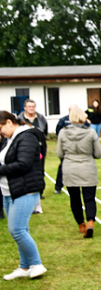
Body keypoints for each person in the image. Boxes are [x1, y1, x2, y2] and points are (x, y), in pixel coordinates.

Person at [0, 111, 47, 280]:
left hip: (25, 190)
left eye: (0, 128)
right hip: (8, 191)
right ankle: (25, 267)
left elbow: (23, 164)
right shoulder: (8, 139)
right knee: (21, 229)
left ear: (9, 122)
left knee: (17, 230)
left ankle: (37, 264)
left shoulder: (26, 137)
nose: (0, 132)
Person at [57, 106, 101, 239]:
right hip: (87, 168)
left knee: (74, 198)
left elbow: (59, 153)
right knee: (89, 198)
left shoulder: (63, 133)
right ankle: (90, 222)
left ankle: (81, 224)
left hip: (70, 168)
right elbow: (98, 154)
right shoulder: (91, 132)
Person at [18, 99, 48, 208]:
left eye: (33, 106)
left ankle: (39, 192)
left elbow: (45, 132)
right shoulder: (19, 119)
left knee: (40, 169)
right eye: (29, 106)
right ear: (25, 108)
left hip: (39, 147)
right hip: (24, 147)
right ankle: (25, 191)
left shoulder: (40, 118)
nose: (31, 108)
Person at [53, 106, 75, 195]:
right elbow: (58, 132)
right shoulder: (63, 120)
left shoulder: (82, 121)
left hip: (78, 149)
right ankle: (58, 187)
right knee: (63, 167)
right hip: (66, 148)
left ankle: (75, 187)